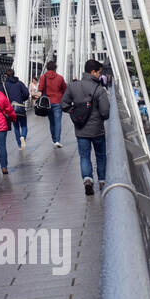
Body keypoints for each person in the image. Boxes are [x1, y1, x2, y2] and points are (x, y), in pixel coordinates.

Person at [60, 58, 111, 196]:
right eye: (99, 73)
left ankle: (88, 180)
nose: (100, 76)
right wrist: (100, 117)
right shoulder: (99, 89)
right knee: (100, 156)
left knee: (84, 156)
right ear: (93, 72)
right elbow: (105, 112)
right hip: (97, 130)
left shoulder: (73, 86)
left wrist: (74, 112)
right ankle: (102, 181)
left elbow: (64, 104)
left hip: (81, 129)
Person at [36, 59, 68, 147]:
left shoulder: (43, 77)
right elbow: (65, 89)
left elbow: (40, 89)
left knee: (52, 122)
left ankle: (54, 140)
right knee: (58, 122)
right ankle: (57, 140)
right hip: (58, 102)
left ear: (47, 68)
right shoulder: (60, 78)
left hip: (47, 104)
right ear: (55, 68)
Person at [1, 68, 31, 149]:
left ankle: (19, 145)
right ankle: (23, 137)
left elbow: (1, 98)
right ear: (13, 74)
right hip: (20, 107)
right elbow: (26, 93)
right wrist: (21, 99)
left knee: (16, 127)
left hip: (11, 109)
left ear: (6, 75)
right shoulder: (20, 83)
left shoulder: (4, 85)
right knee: (24, 125)